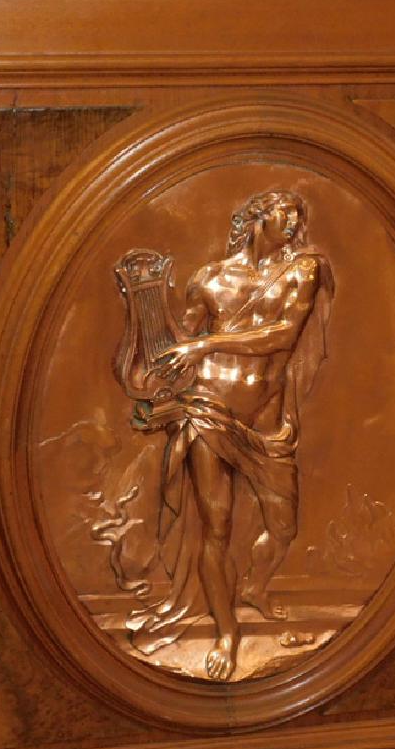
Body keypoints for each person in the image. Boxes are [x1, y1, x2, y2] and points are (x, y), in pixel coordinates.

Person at [126, 190, 333, 681]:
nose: (292, 220)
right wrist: (144, 318)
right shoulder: (210, 279)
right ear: (256, 218)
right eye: (281, 211)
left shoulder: (302, 271)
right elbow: (177, 349)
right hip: (208, 409)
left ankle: (256, 585)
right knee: (215, 525)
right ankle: (226, 632)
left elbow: (284, 334)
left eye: (297, 213)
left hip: (267, 421)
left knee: (283, 525)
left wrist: (206, 344)